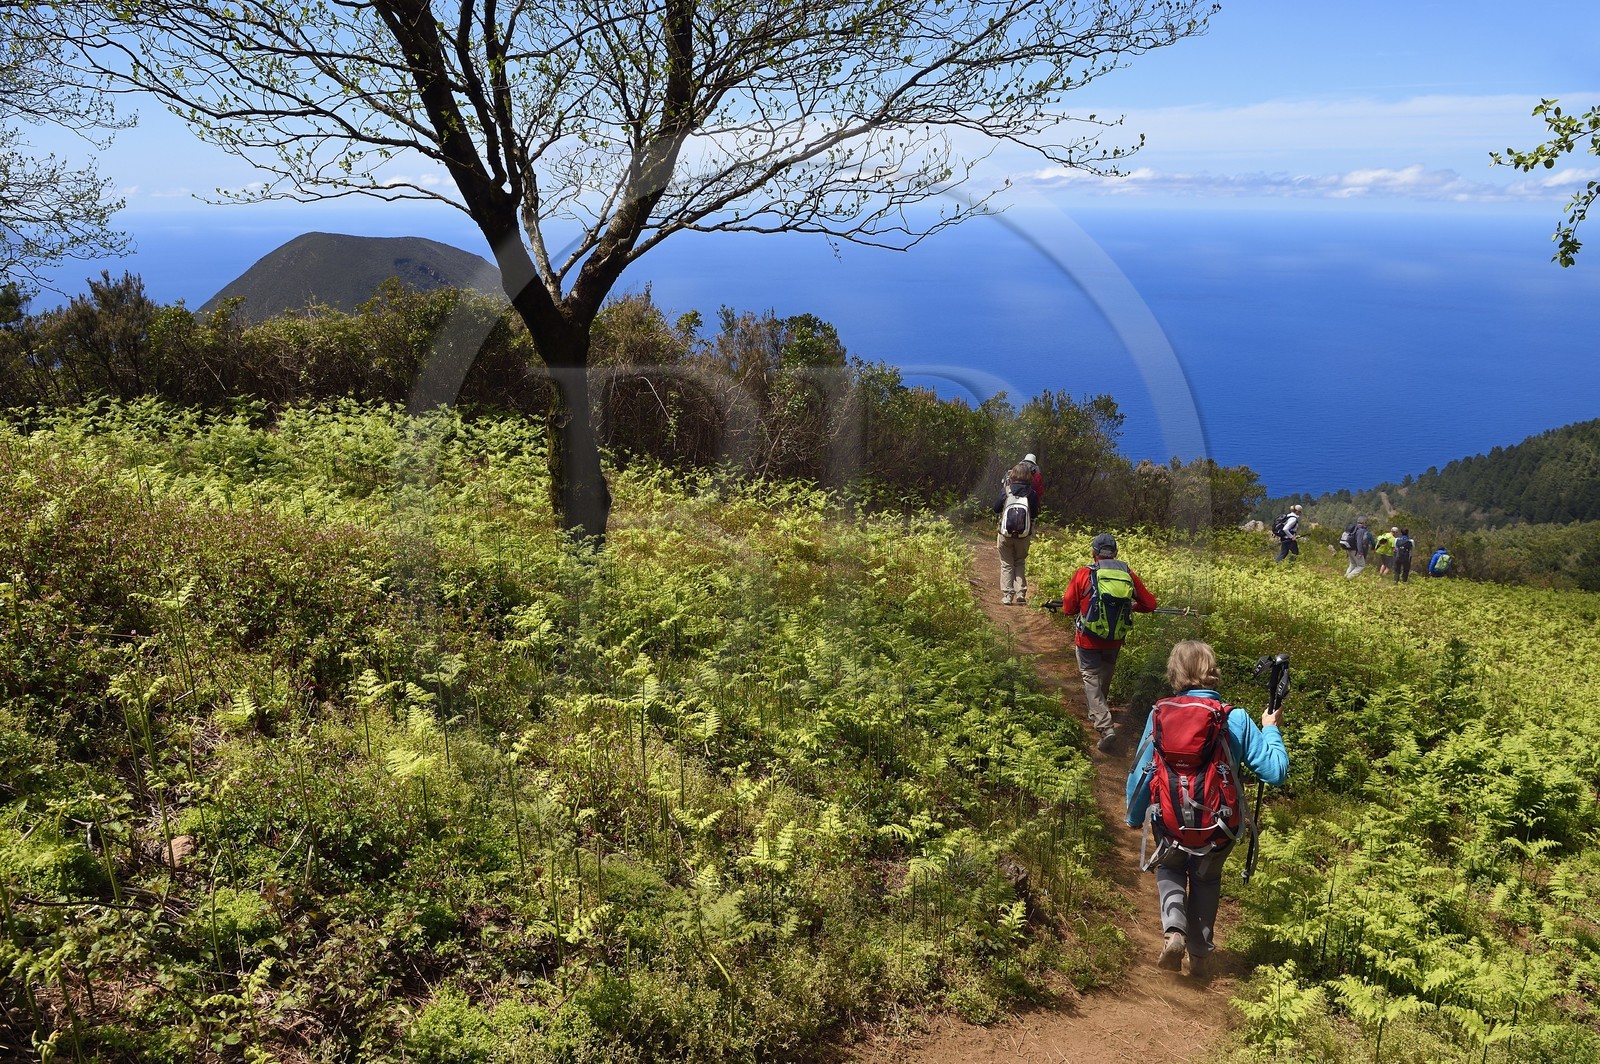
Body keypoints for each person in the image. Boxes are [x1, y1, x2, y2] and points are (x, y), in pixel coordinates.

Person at [1125, 640, 1288, 978]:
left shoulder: (1159, 713)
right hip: (1219, 827)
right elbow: (1275, 771)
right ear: (1213, 672)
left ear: (1175, 673)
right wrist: (1271, 729)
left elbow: (1143, 769)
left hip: (1169, 821)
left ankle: (1174, 932)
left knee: (1169, 870)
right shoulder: (1236, 718)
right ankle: (1199, 957)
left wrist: (1133, 813)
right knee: (1206, 880)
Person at [1062, 533, 1157, 752]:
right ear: (1115, 553)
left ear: (1094, 553)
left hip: (1087, 639)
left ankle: (1105, 727)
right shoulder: (1127, 573)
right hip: (1115, 639)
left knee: (1091, 679)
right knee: (1104, 676)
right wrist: (1132, 607)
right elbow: (1150, 604)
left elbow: (1068, 608)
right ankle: (1100, 710)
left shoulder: (1084, 573)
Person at [992, 462, 1040, 605]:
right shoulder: (1032, 494)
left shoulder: (1006, 490)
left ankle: (1007, 595)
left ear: (1012, 475)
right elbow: (1035, 514)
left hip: (1005, 534)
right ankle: (1021, 594)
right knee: (1020, 562)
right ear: (1028, 477)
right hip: (1024, 535)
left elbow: (995, 508)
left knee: (1006, 563)